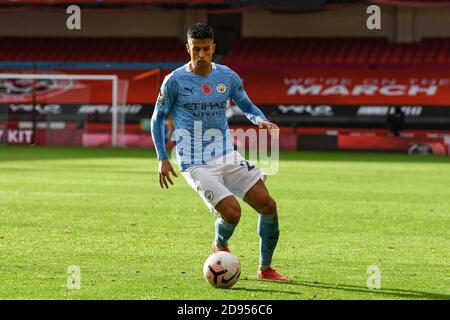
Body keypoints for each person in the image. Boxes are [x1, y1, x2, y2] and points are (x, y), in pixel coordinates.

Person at [150, 23, 289, 282]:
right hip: (195, 162)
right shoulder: (175, 81)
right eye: (195, 49)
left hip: (227, 154)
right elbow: (157, 118)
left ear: (213, 48)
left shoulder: (227, 77)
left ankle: (266, 269)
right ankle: (220, 242)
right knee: (233, 212)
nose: (201, 55)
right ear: (188, 49)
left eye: (206, 49)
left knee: (268, 205)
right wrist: (162, 158)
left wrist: (259, 120)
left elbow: (247, 105)